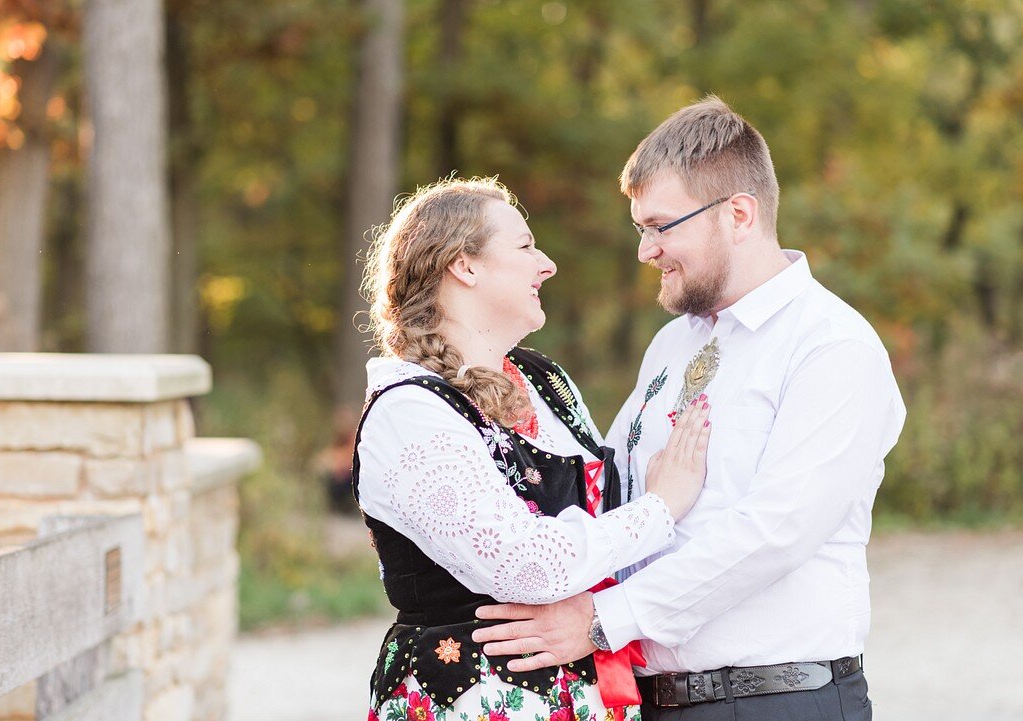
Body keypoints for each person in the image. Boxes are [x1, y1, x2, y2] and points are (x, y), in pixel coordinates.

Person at [472, 97, 907, 721]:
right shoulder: (674, 343)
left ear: (738, 214)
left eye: (662, 225)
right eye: (640, 228)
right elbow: (613, 491)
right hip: (655, 701)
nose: (647, 250)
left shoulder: (831, 345)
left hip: (780, 700)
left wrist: (601, 621)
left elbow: (776, 530)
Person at [352, 177, 713, 721]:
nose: (546, 265)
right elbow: (524, 565)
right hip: (473, 697)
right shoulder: (409, 412)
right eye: (524, 247)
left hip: (589, 690)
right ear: (464, 266)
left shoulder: (544, 381)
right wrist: (660, 508)